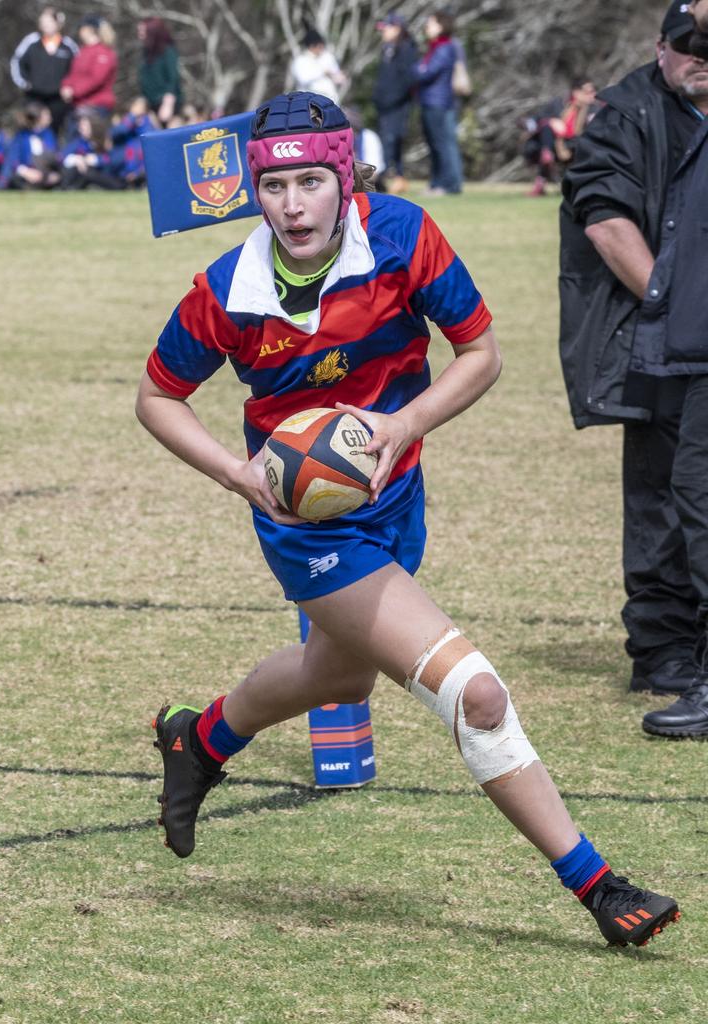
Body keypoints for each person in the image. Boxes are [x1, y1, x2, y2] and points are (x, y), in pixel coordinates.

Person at [136, 90, 680, 948]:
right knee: (477, 693)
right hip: (307, 526)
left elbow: (481, 354)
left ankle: (199, 741)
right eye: (273, 187)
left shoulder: (401, 237)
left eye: (311, 182)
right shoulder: (229, 290)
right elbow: (157, 398)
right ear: (255, 191)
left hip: (394, 498)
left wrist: (402, 425)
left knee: (337, 678)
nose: (292, 204)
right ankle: (600, 887)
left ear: (343, 179)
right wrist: (242, 476)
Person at [559, 1, 708, 734]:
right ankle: (665, 649)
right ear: (660, 48)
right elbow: (605, 216)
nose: (700, 56)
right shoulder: (625, 111)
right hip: (663, 340)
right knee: (665, 496)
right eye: (688, 44)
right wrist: (671, 305)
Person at [414, 10, 464, 194]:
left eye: (431, 23)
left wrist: (417, 69)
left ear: (441, 26)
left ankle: (449, 184)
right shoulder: (435, 46)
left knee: (442, 144)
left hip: (438, 102)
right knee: (434, 145)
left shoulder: (445, 47)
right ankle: (436, 183)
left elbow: (427, 71)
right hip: (430, 100)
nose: (427, 27)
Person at [10, 6, 78, 137]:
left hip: (58, 100)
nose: (45, 25)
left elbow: (77, 70)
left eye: (49, 22)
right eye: (43, 22)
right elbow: (16, 62)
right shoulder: (31, 41)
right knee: (29, 133)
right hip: (34, 97)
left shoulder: (69, 46)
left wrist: (70, 88)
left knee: (54, 133)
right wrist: (24, 84)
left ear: (58, 24)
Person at [523, 78, 597, 196]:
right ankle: (546, 159)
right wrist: (550, 122)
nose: (593, 95)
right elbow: (533, 121)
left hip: (576, 146)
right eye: (588, 92)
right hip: (553, 144)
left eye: (593, 91)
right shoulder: (558, 104)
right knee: (545, 129)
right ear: (576, 92)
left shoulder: (594, 111)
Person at [372, 13, 417, 193]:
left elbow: (407, 80)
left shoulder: (407, 49)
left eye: (387, 28)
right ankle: (397, 177)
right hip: (385, 104)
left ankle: (385, 178)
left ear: (397, 29)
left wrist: (392, 99)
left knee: (392, 140)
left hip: (397, 105)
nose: (383, 32)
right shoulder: (387, 49)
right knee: (389, 140)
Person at [59, 14, 117, 128]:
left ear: (89, 30)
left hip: (96, 106)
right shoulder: (83, 51)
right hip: (78, 105)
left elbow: (97, 78)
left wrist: (74, 91)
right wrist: (65, 86)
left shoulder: (103, 52)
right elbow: (73, 74)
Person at [0, 102, 59, 189]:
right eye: (46, 115)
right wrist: (26, 172)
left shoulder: (49, 134)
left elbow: (54, 157)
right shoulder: (22, 136)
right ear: (38, 118)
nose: (50, 118)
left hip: (45, 173)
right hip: (26, 173)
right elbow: (13, 159)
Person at [137, 17, 182, 128]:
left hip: (167, 104)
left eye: (142, 31)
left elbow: (173, 77)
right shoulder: (146, 53)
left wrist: (168, 103)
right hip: (152, 105)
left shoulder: (167, 51)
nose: (139, 34)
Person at [289, 29, 347, 103]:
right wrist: (323, 72)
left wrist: (340, 78)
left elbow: (336, 74)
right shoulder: (300, 61)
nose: (322, 48)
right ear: (311, 46)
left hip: (330, 100)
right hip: (310, 102)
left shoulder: (328, 57)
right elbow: (303, 79)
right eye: (319, 46)